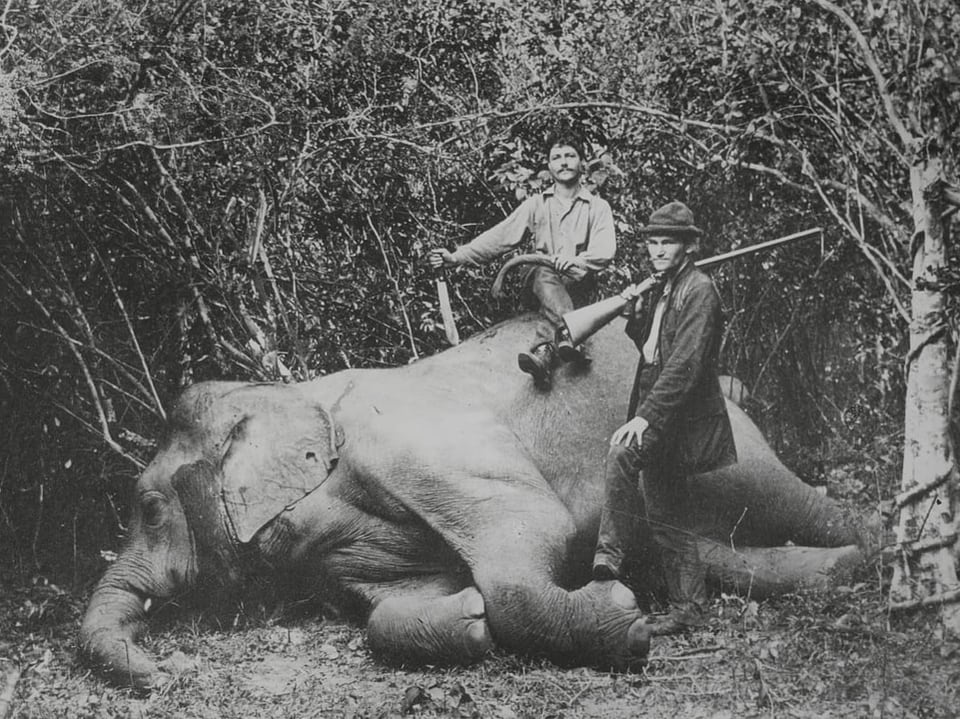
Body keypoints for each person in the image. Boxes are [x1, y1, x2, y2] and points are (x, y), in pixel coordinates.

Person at [591, 200, 737, 636]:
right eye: (652, 242)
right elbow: (652, 347)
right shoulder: (665, 287)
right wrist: (633, 313)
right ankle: (689, 609)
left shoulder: (699, 290)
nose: (657, 250)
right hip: (660, 395)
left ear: (687, 246)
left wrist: (646, 417)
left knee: (621, 455)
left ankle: (607, 558)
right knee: (666, 513)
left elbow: (685, 365)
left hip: (678, 409)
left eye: (667, 242)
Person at [428, 132, 616, 388]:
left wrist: (576, 262)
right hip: (539, 281)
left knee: (559, 291)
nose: (563, 162)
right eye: (556, 157)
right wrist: (457, 257)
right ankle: (572, 334)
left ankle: (543, 350)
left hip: (576, 284)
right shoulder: (536, 204)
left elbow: (605, 250)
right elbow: (500, 236)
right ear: (549, 166)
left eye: (570, 156)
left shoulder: (598, 207)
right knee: (543, 271)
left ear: (582, 162)